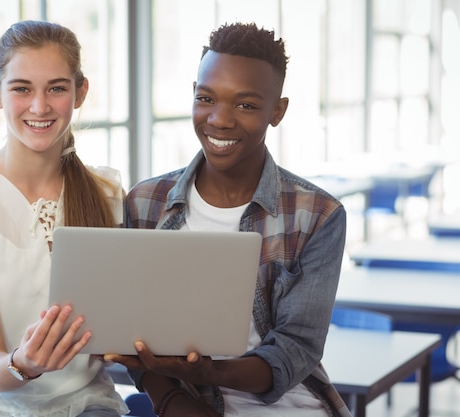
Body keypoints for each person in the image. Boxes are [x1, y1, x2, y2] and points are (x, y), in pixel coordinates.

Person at [106, 22, 351, 417]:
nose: (219, 119)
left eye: (246, 105)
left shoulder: (317, 216)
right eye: (207, 98)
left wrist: (209, 371)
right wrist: (172, 399)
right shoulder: (144, 203)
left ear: (278, 111)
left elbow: (295, 349)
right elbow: (125, 330)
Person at [0, 20, 127, 417]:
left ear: (80, 92)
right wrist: (24, 364)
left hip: (87, 403)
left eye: (56, 88)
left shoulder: (108, 195)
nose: (39, 106)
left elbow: (111, 335)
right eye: (22, 89)